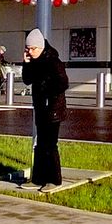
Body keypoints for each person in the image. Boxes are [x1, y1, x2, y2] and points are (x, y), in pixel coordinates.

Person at [22, 29, 68, 192]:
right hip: (41, 108)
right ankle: (38, 178)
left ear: (40, 47)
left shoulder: (53, 61)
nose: (30, 52)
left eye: (32, 49)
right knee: (40, 145)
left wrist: (46, 88)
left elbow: (63, 83)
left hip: (53, 109)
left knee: (50, 145)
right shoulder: (35, 61)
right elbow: (27, 80)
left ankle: (54, 180)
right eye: (28, 49)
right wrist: (26, 63)